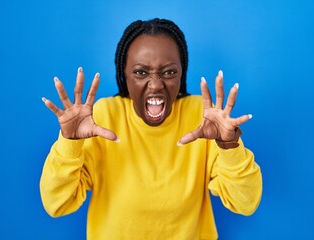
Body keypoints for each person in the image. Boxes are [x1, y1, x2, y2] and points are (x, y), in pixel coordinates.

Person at [40, 18, 262, 239]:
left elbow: (245, 203)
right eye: (140, 72)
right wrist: (69, 142)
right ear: (124, 76)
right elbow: (57, 204)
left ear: (181, 74)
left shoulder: (202, 117)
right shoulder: (103, 117)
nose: (156, 84)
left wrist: (229, 144)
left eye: (168, 72)